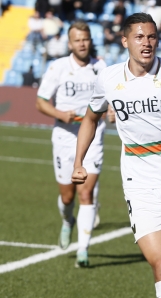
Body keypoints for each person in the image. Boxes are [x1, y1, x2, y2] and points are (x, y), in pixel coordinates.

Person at [71, 13, 161, 297]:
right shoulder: (109, 79)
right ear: (125, 40)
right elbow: (90, 118)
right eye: (139, 37)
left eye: (152, 37)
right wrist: (79, 162)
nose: (147, 43)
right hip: (139, 180)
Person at [35, 21, 107, 268]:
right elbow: (41, 102)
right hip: (65, 137)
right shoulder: (58, 68)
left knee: (85, 193)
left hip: (93, 137)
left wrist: (113, 111)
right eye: (77, 40)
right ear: (70, 44)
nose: (82, 43)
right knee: (67, 197)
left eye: (85, 39)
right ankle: (67, 221)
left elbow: (112, 98)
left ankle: (83, 251)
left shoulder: (101, 67)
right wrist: (60, 113)